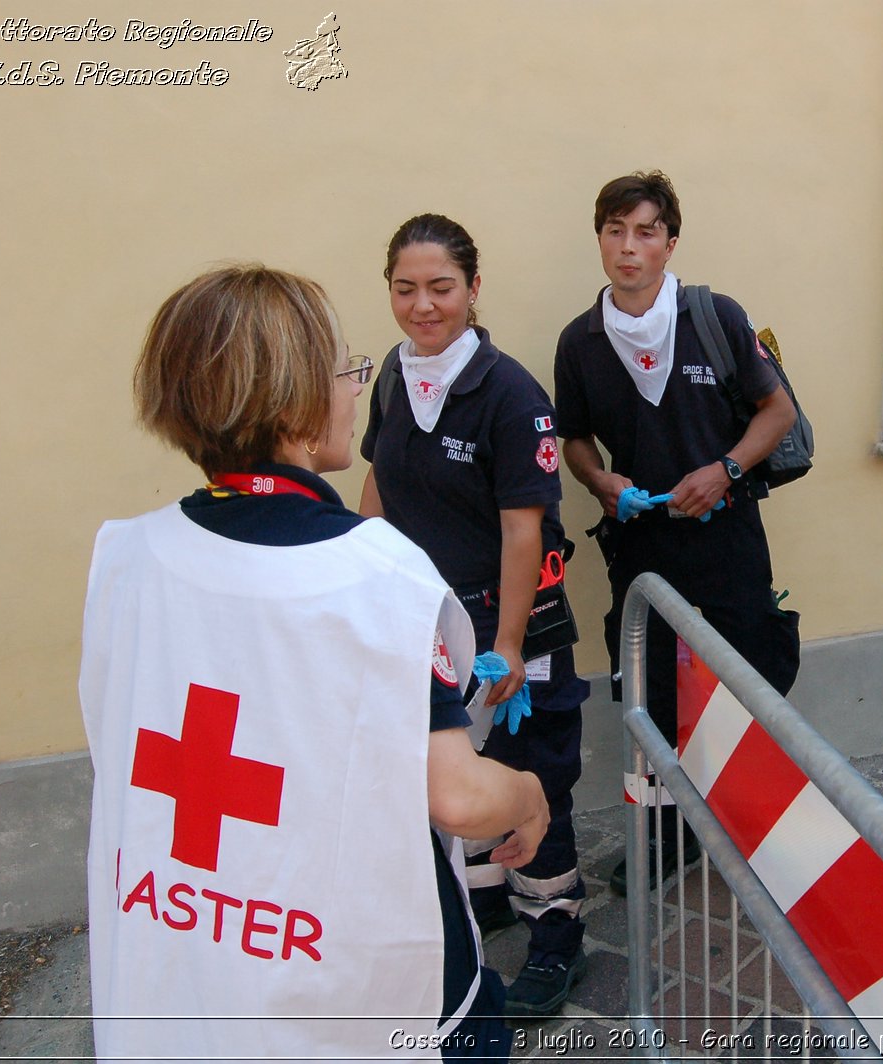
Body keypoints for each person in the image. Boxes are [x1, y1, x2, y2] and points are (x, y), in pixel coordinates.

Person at [82, 264, 547, 1062]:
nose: (354, 391)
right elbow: (461, 800)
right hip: (349, 992)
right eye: (344, 370)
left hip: (182, 967)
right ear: (295, 403)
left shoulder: (124, 555)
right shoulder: (375, 573)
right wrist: (530, 796)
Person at [359, 215, 591, 1018]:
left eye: (441, 288)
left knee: (534, 767)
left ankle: (557, 930)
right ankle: (491, 892)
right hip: (428, 623)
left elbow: (523, 528)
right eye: (405, 289)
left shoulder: (510, 392)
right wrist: (361, 577)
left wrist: (506, 646)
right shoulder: (394, 378)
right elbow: (379, 492)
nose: (423, 307)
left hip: (507, 627)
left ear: (474, 289)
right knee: (456, 768)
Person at [553, 171, 800, 893]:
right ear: (600, 238)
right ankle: (664, 837)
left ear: (670, 243)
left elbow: (776, 413)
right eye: (615, 231)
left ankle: (752, 827)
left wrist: (724, 469)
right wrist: (602, 484)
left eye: (646, 232)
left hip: (727, 542)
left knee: (746, 680)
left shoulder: (714, 317)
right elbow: (574, 441)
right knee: (652, 692)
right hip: (642, 549)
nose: (629, 248)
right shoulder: (581, 341)